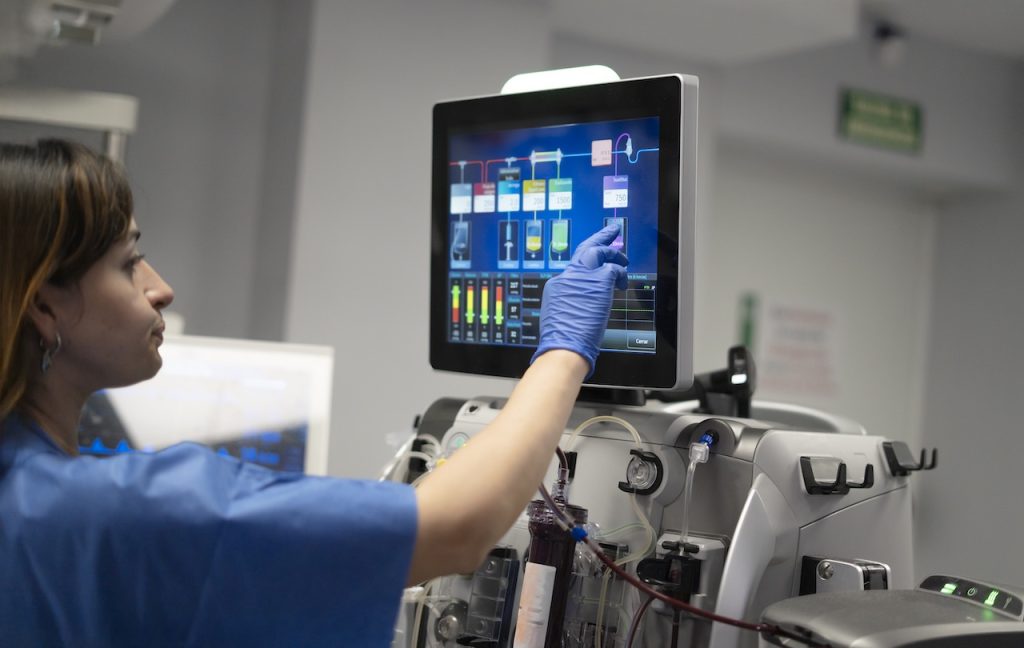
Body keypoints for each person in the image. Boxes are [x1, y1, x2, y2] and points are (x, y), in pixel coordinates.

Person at [0, 139, 628, 646]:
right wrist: (565, 349)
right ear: (44, 307)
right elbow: (458, 526)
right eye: (127, 261)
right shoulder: (119, 510)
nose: (159, 287)